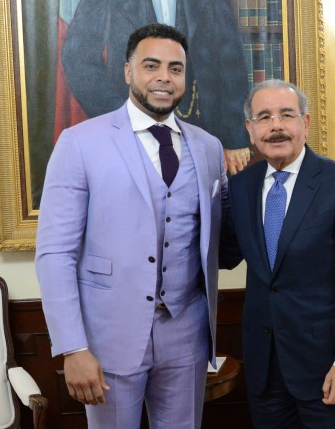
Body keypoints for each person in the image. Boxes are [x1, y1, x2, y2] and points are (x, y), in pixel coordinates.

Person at [35, 24, 227, 429]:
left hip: (186, 331)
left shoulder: (209, 147)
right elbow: (55, 254)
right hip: (107, 337)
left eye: (175, 69)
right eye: (151, 65)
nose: (164, 77)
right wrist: (73, 347)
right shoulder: (80, 143)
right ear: (127, 72)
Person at [220, 79, 335, 428]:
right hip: (264, 371)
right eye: (264, 117)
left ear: (305, 124)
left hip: (327, 370)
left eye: (286, 115)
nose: (276, 125)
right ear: (251, 131)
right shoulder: (240, 187)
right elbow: (226, 255)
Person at [60, 0, 252, 174]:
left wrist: (234, 136)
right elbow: (77, 58)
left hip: (202, 130)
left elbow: (230, 57)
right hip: (132, 136)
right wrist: (124, 116)